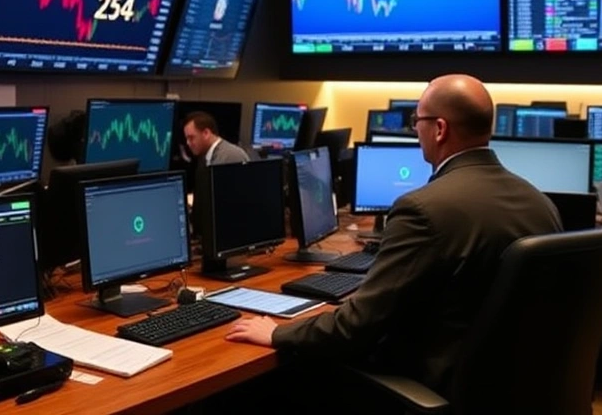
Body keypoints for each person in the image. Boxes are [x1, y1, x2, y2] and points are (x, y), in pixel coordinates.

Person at [225, 74, 563, 396]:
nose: (415, 131)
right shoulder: (540, 203)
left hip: (435, 385)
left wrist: (279, 332)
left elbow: (355, 327)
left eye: (418, 121)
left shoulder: (423, 208)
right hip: (514, 388)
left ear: (440, 129)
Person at [182, 111, 248, 166]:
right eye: (187, 138)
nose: (188, 143)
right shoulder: (213, 156)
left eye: (191, 137)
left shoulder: (230, 157)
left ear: (206, 133)